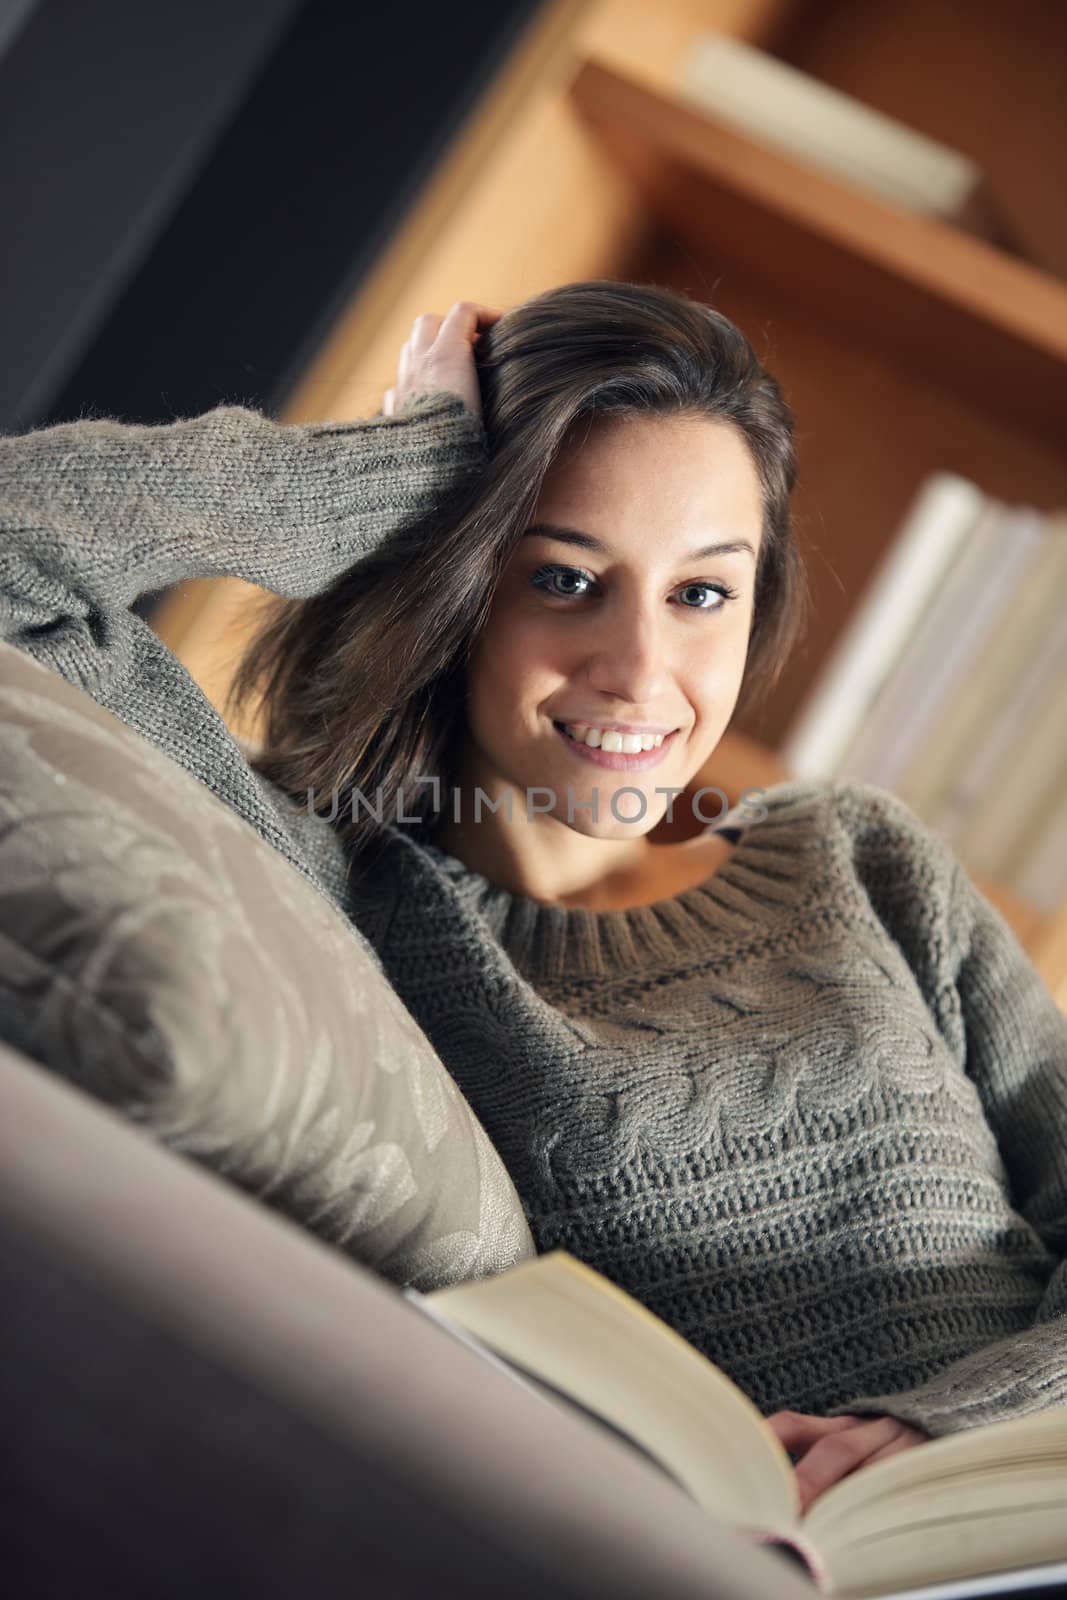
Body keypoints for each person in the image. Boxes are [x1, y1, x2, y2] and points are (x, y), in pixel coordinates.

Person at [3, 283, 1065, 1518]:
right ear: (453, 578)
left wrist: (947, 1434)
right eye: (563, 580)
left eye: (700, 593)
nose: (639, 672)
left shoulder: (858, 859)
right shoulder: (340, 888)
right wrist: (399, 472)